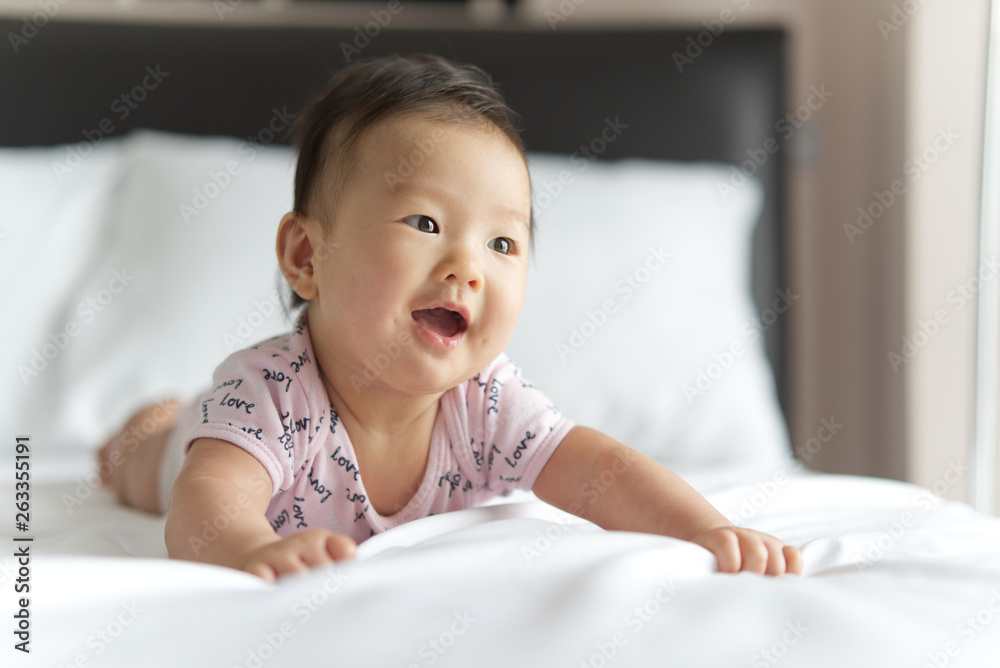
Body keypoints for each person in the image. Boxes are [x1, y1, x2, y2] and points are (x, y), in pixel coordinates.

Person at [98, 53, 803, 582]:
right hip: (193, 442)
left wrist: (707, 529)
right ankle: (148, 425)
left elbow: (602, 471)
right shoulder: (270, 393)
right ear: (306, 255)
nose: (468, 266)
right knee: (140, 464)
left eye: (502, 242)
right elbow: (205, 500)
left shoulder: (487, 404)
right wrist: (253, 549)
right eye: (425, 221)